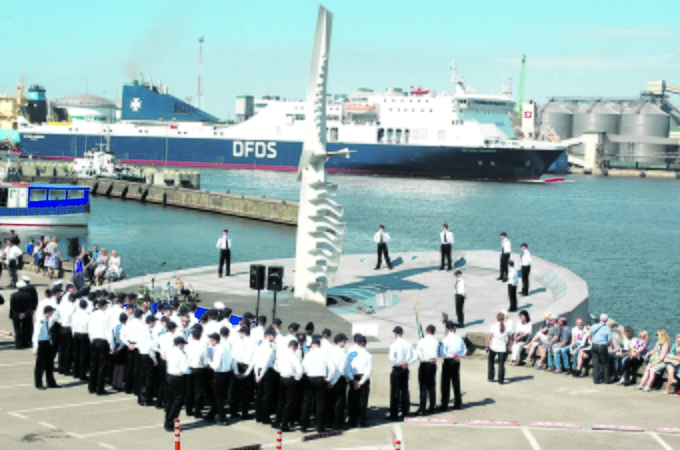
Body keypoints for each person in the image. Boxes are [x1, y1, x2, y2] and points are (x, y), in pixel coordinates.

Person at [301, 338, 336, 433]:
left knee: (307, 402)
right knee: (320, 404)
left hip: (309, 378)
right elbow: (332, 368)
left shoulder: (308, 355)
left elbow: (303, 368)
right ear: (319, 345)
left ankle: (304, 425)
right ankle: (320, 426)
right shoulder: (325, 354)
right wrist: (329, 378)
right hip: (321, 379)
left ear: (312, 345)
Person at [206, 330, 238, 425]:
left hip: (219, 375)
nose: (210, 342)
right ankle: (211, 415)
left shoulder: (218, 350)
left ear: (214, 341)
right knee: (221, 397)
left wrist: (209, 362)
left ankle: (223, 419)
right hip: (226, 374)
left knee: (218, 398)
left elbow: (215, 366)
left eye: (211, 340)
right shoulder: (225, 348)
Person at [274, 339, 303, 432]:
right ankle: (284, 424)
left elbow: (275, 366)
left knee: (281, 401)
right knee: (289, 402)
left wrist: (282, 372)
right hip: (290, 379)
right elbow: (300, 371)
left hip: (282, 378)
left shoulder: (282, 355)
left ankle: (277, 421)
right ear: (296, 348)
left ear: (288, 346)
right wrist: (297, 377)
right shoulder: (294, 357)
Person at [387, 326, 413, 421]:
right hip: (405, 369)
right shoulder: (408, 343)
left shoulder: (394, 344)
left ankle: (394, 413)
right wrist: (407, 362)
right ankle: (405, 412)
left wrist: (400, 362)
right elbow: (413, 356)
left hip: (397, 369)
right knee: (405, 390)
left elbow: (392, 358)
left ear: (395, 334)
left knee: (395, 391)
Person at [88, 299, 114, 395]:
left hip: (94, 340)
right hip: (103, 341)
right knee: (102, 366)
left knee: (93, 364)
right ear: (103, 306)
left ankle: (91, 386)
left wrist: (91, 339)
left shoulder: (93, 315)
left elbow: (90, 328)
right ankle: (100, 388)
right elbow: (108, 331)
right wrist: (111, 344)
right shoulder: (106, 317)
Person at [32, 306, 61, 390]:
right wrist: (35, 348)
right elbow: (36, 335)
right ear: (48, 312)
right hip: (41, 343)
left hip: (47, 342)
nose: (52, 313)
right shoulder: (41, 321)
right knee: (40, 365)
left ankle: (51, 382)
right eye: (51, 312)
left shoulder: (47, 320)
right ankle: (38, 384)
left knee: (49, 364)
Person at [231, 326, 256, 419]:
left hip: (237, 366)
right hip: (247, 367)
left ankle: (233, 412)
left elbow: (233, 358)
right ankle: (244, 413)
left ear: (244, 333)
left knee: (235, 391)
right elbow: (254, 360)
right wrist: (247, 372)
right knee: (246, 392)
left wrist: (236, 371)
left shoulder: (237, 343)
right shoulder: (254, 344)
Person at [347, 334, 372, 428]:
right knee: (362, 400)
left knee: (352, 400)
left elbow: (347, 367)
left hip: (353, 377)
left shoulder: (351, 353)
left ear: (357, 342)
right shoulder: (368, 355)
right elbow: (369, 370)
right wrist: (361, 382)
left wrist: (352, 379)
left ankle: (352, 420)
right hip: (363, 378)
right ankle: (361, 421)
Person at [165, 337, 189, 432]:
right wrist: (190, 371)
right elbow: (184, 369)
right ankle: (171, 423)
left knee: (170, 401)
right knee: (177, 401)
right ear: (180, 344)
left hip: (169, 376)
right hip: (178, 378)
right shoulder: (181, 354)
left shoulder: (170, 351)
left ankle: (167, 421)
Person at [253, 328, 277, 424]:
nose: (274, 337)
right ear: (269, 336)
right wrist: (261, 375)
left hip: (259, 370)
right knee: (267, 396)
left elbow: (255, 361)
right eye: (273, 335)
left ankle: (258, 416)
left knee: (259, 394)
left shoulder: (260, 346)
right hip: (266, 372)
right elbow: (267, 363)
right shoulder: (269, 347)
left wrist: (257, 375)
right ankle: (265, 417)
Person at [414, 324, 439, 415]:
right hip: (432, 365)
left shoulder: (422, 341)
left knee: (423, 387)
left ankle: (422, 408)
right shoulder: (436, 341)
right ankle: (432, 407)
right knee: (431, 386)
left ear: (426, 331)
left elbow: (417, 354)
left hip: (425, 364)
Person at [185, 327, 207, 417]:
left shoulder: (187, 346)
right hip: (199, 369)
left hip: (189, 369)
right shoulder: (203, 347)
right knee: (198, 391)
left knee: (188, 390)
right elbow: (205, 361)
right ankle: (197, 411)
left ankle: (188, 410)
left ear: (192, 336)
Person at [486, 312, 511, 384]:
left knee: (491, 361)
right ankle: (501, 380)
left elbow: (489, 337)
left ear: (497, 318)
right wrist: (508, 346)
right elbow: (509, 338)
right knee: (501, 364)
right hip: (502, 347)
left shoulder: (493, 326)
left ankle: (491, 377)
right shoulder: (507, 327)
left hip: (493, 346)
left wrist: (487, 346)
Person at [589, 313, 613, 385]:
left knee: (595, 363)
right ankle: (606, 380)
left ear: (600, 319)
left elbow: (589, 335)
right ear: (606, 320)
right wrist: (607, 345)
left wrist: (593, 340)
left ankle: (596, 380)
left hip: (594, 345)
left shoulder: (594, 326)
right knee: (605, 363)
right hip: (602, 345)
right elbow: (610, 340)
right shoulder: (607, 328)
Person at [57, 293, 77, 375]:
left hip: (62, 327)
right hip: (69, 328)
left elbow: (57, 315)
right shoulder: (74, 307)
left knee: (61, 349)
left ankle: (60, 367)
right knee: (68, 350)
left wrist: (60, 321)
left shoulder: (62, 305)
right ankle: (66, 369)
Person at [9, 282, 34, 349]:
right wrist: (24, 313)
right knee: (25, 329)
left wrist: (17, 314)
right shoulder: (28, 295)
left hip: (15, 315)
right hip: (25, 315)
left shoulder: (13, 295)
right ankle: (25, 343)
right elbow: (30, 306)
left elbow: (12, 307)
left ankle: (18, 344)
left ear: (17, 287)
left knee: (17, 329)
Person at [71, 299, 91, 381]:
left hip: (76, 334)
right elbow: (89, 327)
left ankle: (75, 373)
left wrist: (73, 334)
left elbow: (72, 325)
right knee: (83, 355)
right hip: (84, 334)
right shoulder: (88, 315)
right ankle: (82, 373)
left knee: (76, 354)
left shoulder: (75, 314)